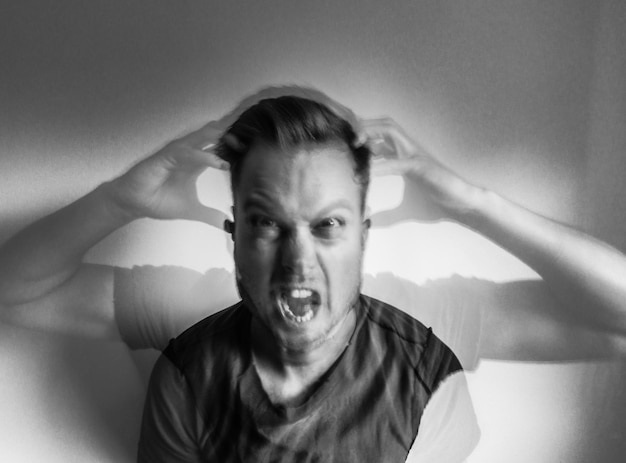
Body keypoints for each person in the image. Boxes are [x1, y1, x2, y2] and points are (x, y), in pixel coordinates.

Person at [1, 87, 626, 461]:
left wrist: (472, 204)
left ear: (363, 235)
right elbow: (14, 291)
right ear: (235, 238)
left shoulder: (426, 326)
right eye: (268, 224)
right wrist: (120, 200)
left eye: (327, 225)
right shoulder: (191, 322)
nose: (298, 263)